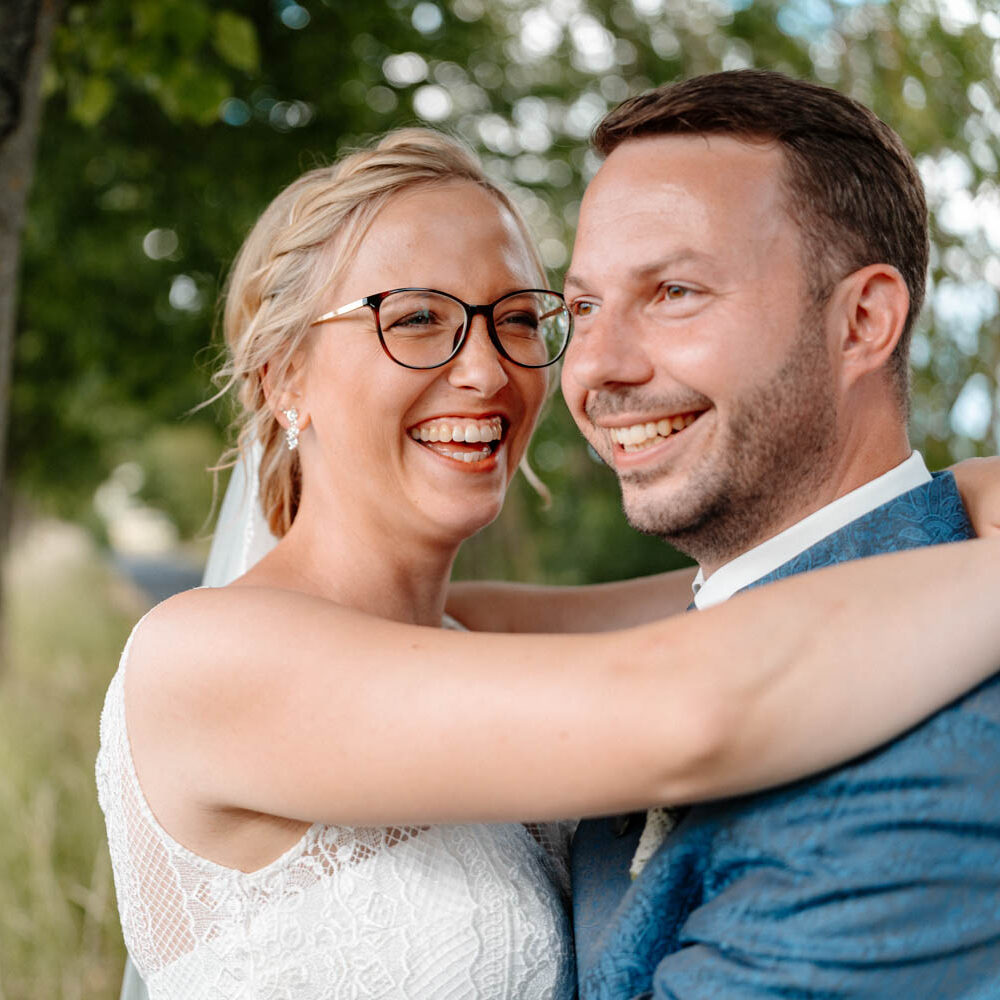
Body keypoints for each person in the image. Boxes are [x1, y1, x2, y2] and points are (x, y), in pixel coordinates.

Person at [98, 127, 1000, 1000]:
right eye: (417, 318)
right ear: (281, 379)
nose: (489, 372)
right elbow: (692, 701)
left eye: (519, 318)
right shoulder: (206, 660)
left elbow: (736, 594)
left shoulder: (470, 633)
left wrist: (953, 495)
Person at [529, 69, 1000, 997]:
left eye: (673, 291)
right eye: (582, 306)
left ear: (863, 320)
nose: (596, 368)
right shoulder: (677, 639)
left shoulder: (937, 751)